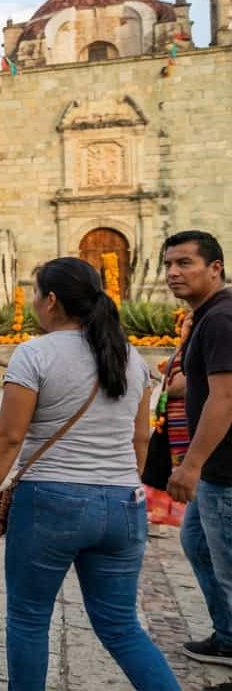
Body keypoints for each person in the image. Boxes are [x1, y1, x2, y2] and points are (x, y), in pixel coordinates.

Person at [0, 257, 178, 690]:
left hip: (51, 502)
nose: (34, 303)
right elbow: (140, 438)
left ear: (52, 301)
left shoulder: (35, 353)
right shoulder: (129, 357)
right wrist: (120, 483)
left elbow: (8, 437)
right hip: (123, 504)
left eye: (36, 294)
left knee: (28, 618)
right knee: (121, 626)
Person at [161, 231, 232, 672]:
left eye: (185, 263)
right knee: (198, 544)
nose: (173, 272)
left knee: (227, 566)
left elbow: (226, 399)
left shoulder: (221, 319)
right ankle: (227, 637)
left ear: (215, 268)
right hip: (219, 469)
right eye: (168, 264)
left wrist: (191, 466)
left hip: (224, 468)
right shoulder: (210, 317)